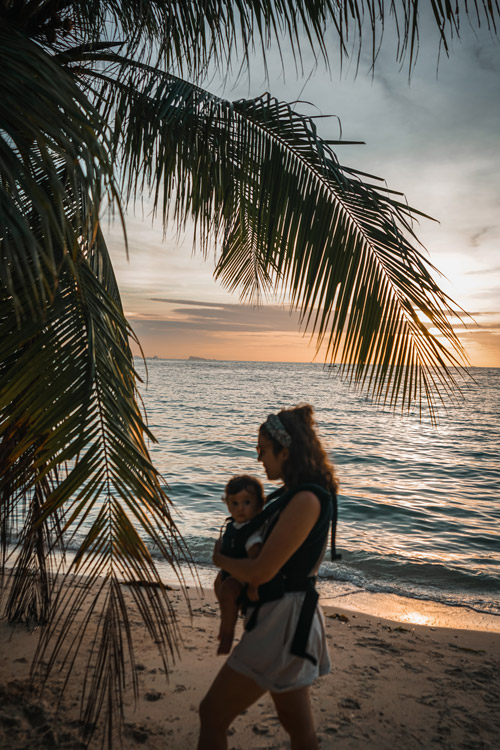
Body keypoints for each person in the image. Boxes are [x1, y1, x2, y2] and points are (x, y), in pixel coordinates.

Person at [198, 404, 339, 750]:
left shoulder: (305, 499)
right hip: (286, 619)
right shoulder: (291, 495)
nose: (258, 457)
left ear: (285, 451)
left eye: (263, 449)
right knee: (298, 728)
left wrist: (220, 560)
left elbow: (263, 570)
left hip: (283, 623)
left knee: (212, 713)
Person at [215, 475, 265, 655]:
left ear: (259, 505)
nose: (240, 508)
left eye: (246, 502)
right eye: (234, 503)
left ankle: (227, 634)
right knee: (219, 584)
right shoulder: (233, 525)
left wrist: (253, 585)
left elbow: (256, 562)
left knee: (227, 589)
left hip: (244, 576)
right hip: (230, 571)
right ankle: (226, 618)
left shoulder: (252, 534)